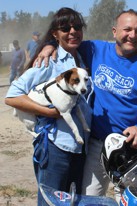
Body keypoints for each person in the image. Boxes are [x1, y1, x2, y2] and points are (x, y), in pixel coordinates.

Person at [36, 9, 137, 202]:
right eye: (127, 29)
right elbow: (69, 41)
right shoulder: (95, 50)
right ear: (114, 31)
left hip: (130, 149)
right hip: (97, 146)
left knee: (129, 201)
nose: (133, 35)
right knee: (89, 198)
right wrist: (50, 45)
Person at [5, 7, 92, 206]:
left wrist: (50, 44)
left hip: (80, 148)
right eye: (65, 28)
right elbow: (12, 96)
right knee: (51, 202)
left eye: (77, 26)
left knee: (72, 201)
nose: (72, 31)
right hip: (55, 147)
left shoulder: (83, 56)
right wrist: (50, 112)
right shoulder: (48, 61)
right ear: (55, 34)